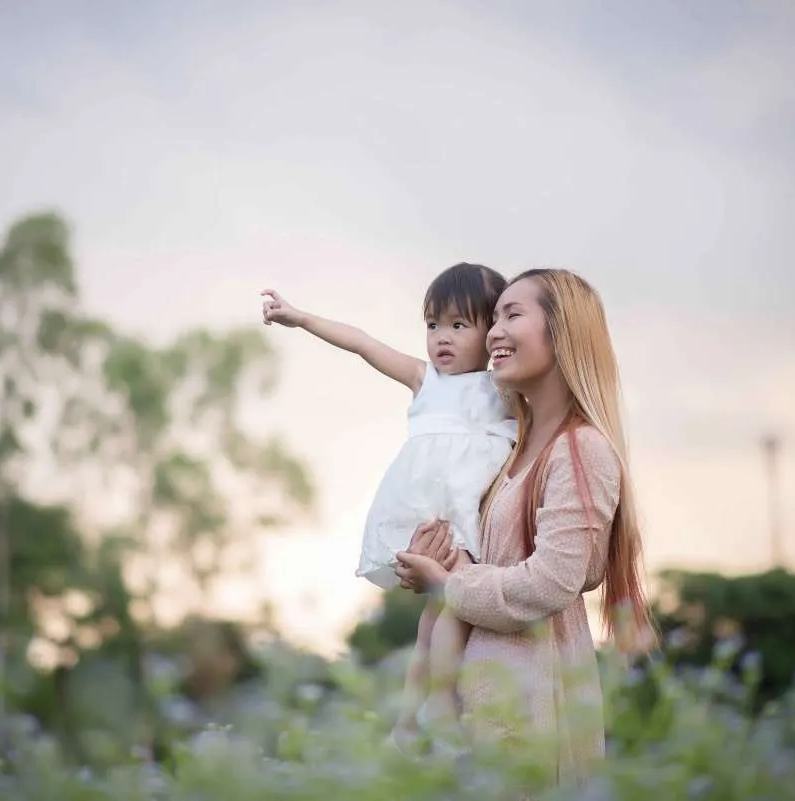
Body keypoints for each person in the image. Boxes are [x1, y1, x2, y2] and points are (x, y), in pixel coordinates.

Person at [394, 268, 655, 788]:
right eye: (494, 318)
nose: (493, 332)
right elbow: (487, 569)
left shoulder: (581, 450)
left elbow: (548, 584)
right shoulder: (510, 451)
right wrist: (439, 557)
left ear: (562, 334)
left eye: (512, 315)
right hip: (476, 712)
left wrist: (448, 584)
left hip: (532, 712)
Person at [260, 263, 516, 751]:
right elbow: (362, 343)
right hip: (432, 513)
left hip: (467, 510)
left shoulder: (499, 388)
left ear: (491, 333)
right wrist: (301, 318)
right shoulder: (426, 381)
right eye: (433, 324)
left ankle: (421, 713)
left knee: (444, 609)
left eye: (459, 325)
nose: (442, 337)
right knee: (444, 608)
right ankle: (425, 708)